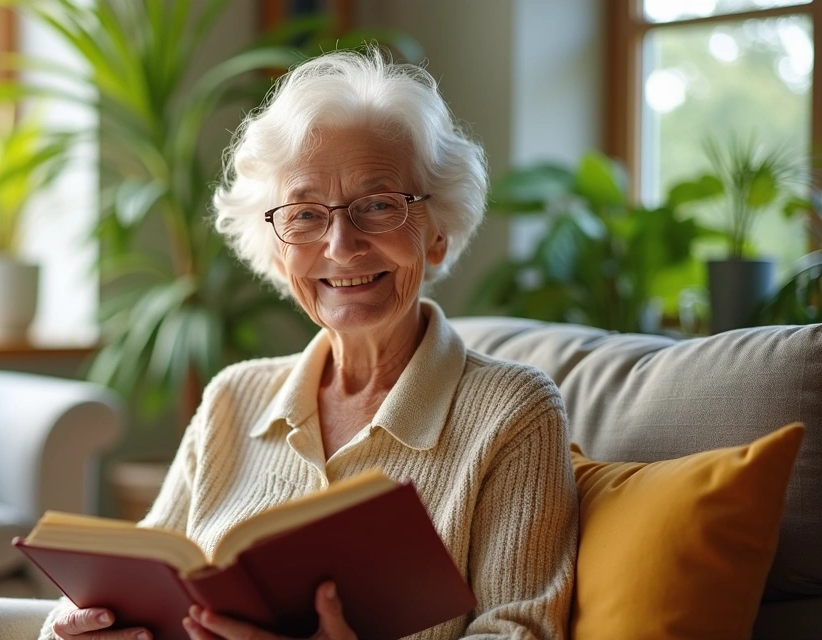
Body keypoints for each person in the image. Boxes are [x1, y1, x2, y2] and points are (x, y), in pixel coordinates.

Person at [44, 47, 577, 640]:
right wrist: (71, 626)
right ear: (276, 250)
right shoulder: (233, 396)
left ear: (438, 234)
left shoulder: (514, 412)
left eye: (378, 205)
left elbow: (519, 630)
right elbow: (135, 574)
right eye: (304, 215)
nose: (341, 245)